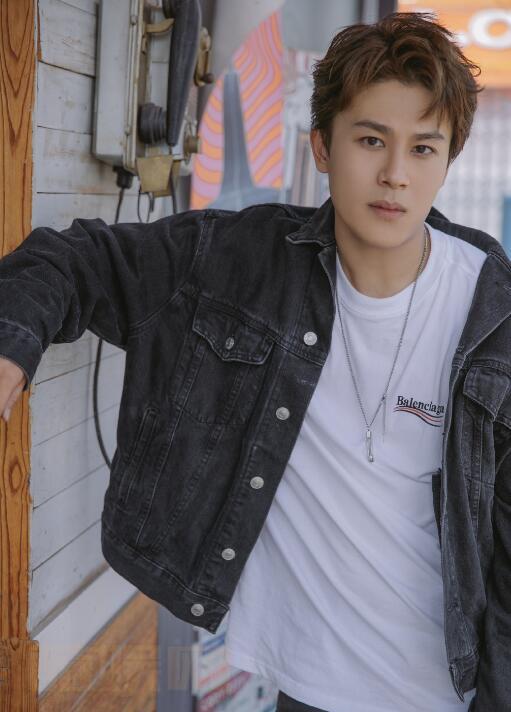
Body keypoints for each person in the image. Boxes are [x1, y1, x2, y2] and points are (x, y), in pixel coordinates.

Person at [0, 10, 508, 712]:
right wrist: (13, 344)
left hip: (448, 694)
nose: (395, 174)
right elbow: (76, 259)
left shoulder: (491, 317)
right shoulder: (241, 265)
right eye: (370, 140)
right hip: (303, 689)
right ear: (322, 147)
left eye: (423, 149)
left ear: (447, 161)